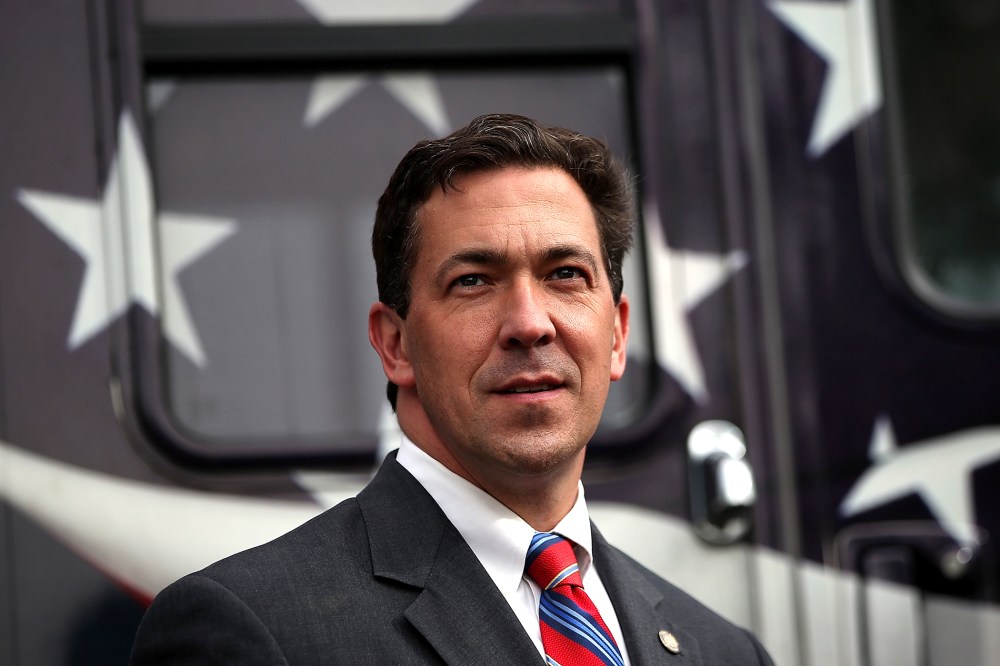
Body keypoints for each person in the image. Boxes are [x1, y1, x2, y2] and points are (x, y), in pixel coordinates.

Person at [130, 114, 773, 665]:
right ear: (395, 344)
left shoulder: (723, 650)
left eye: (566, 274)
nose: (529, 323)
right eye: (473, 281)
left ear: (616, 336)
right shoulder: (250, 631)